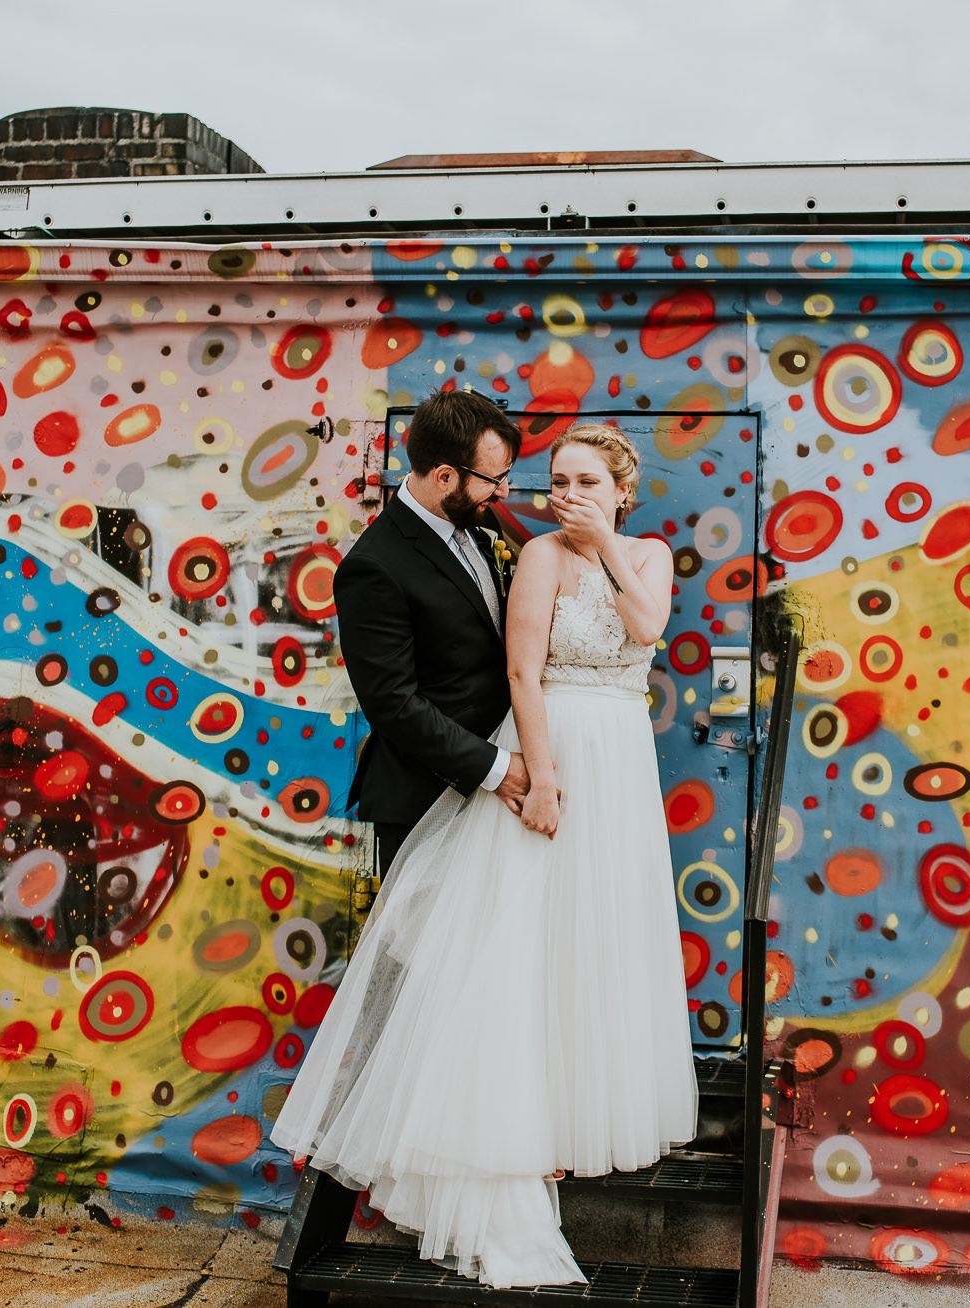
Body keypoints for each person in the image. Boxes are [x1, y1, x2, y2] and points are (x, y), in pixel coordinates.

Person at [272, 420, 698, 1287]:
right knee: (488, 970)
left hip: (619, 773)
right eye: (554, 480)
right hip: (528, 762)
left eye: (584, 480)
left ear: (621, 489)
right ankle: (468, 1166)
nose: (555, 494)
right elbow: (512, 675)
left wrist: (605, 544)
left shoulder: (633, 552)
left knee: (585, 957)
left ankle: (548, 1140)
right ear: (442, 474)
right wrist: (533, 774)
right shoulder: (516, 555)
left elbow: (647, 624)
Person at [329, 389, 531, 880]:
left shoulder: (474, 530)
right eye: (495, 479)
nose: (504, 492)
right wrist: (500, 769)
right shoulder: (373, 567)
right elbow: (394, 704)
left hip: (490, 799)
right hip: (424, 801)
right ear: (445, 477)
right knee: (416, 959)